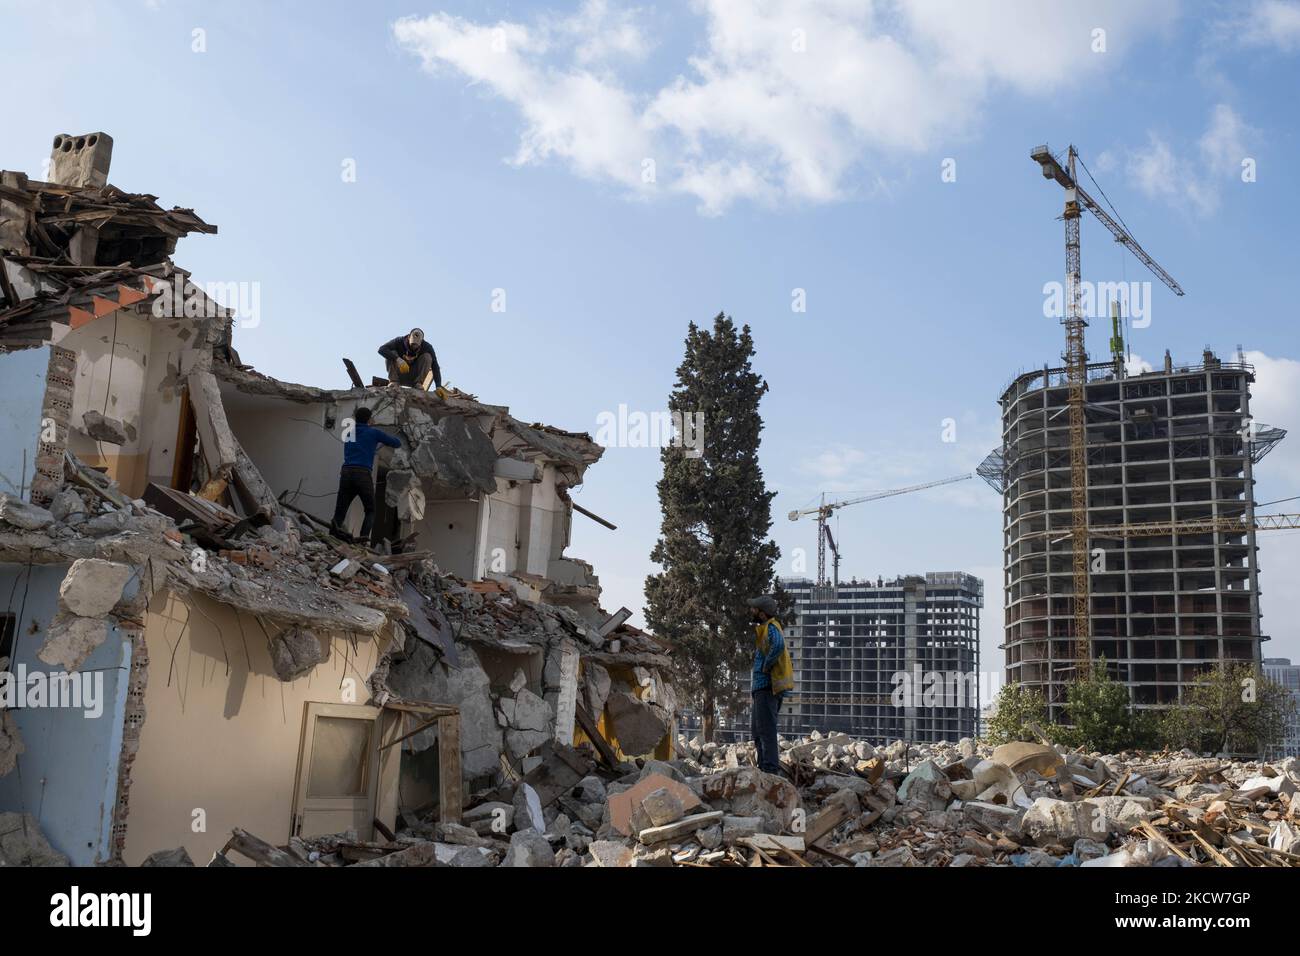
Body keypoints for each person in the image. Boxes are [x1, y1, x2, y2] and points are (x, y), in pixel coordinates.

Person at [330, 406, 401, 543]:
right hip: (362, 474)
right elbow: (396, 443)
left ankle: (331, 539)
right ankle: (362, 541)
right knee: (370, 510)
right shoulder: (374, 432)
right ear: (369, 419)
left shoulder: (349, 433)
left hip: (346, 473)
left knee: (340, 511)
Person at [747, 594, 793, 775]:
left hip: (767, 688)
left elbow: (779, 645)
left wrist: (766, 666)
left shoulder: (771, 627)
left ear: (763, 614)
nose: (751, 611)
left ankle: (770, 770)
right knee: (758, 730)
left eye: (754, 609)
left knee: (766, 730)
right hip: (761, 689)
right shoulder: (764, 629)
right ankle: (763, 766)